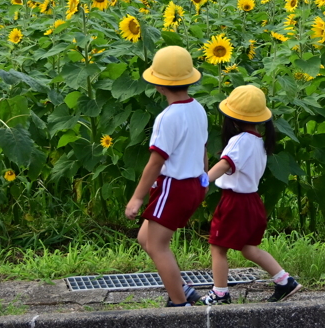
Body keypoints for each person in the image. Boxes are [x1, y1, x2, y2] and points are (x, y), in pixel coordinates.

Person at [125, 45, 210, 307]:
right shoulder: (198, 108)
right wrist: (204, 178)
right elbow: (204, 147)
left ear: (159, 86)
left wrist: (137, 198)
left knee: (159, 246)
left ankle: (178, 303)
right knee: (146, 238)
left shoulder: (167, 117)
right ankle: (182, 289)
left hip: (173, 186)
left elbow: (156, 161)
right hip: (194, 183)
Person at [202, 84, 301, 305]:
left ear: (232, 118)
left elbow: (225, 164)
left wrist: (201, 180)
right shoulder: (259, 142)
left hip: (235, 202)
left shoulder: (239, 141)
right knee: (248, 248)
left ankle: (220, 293)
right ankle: (285, 281)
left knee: (218, 247)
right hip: (253, 201)